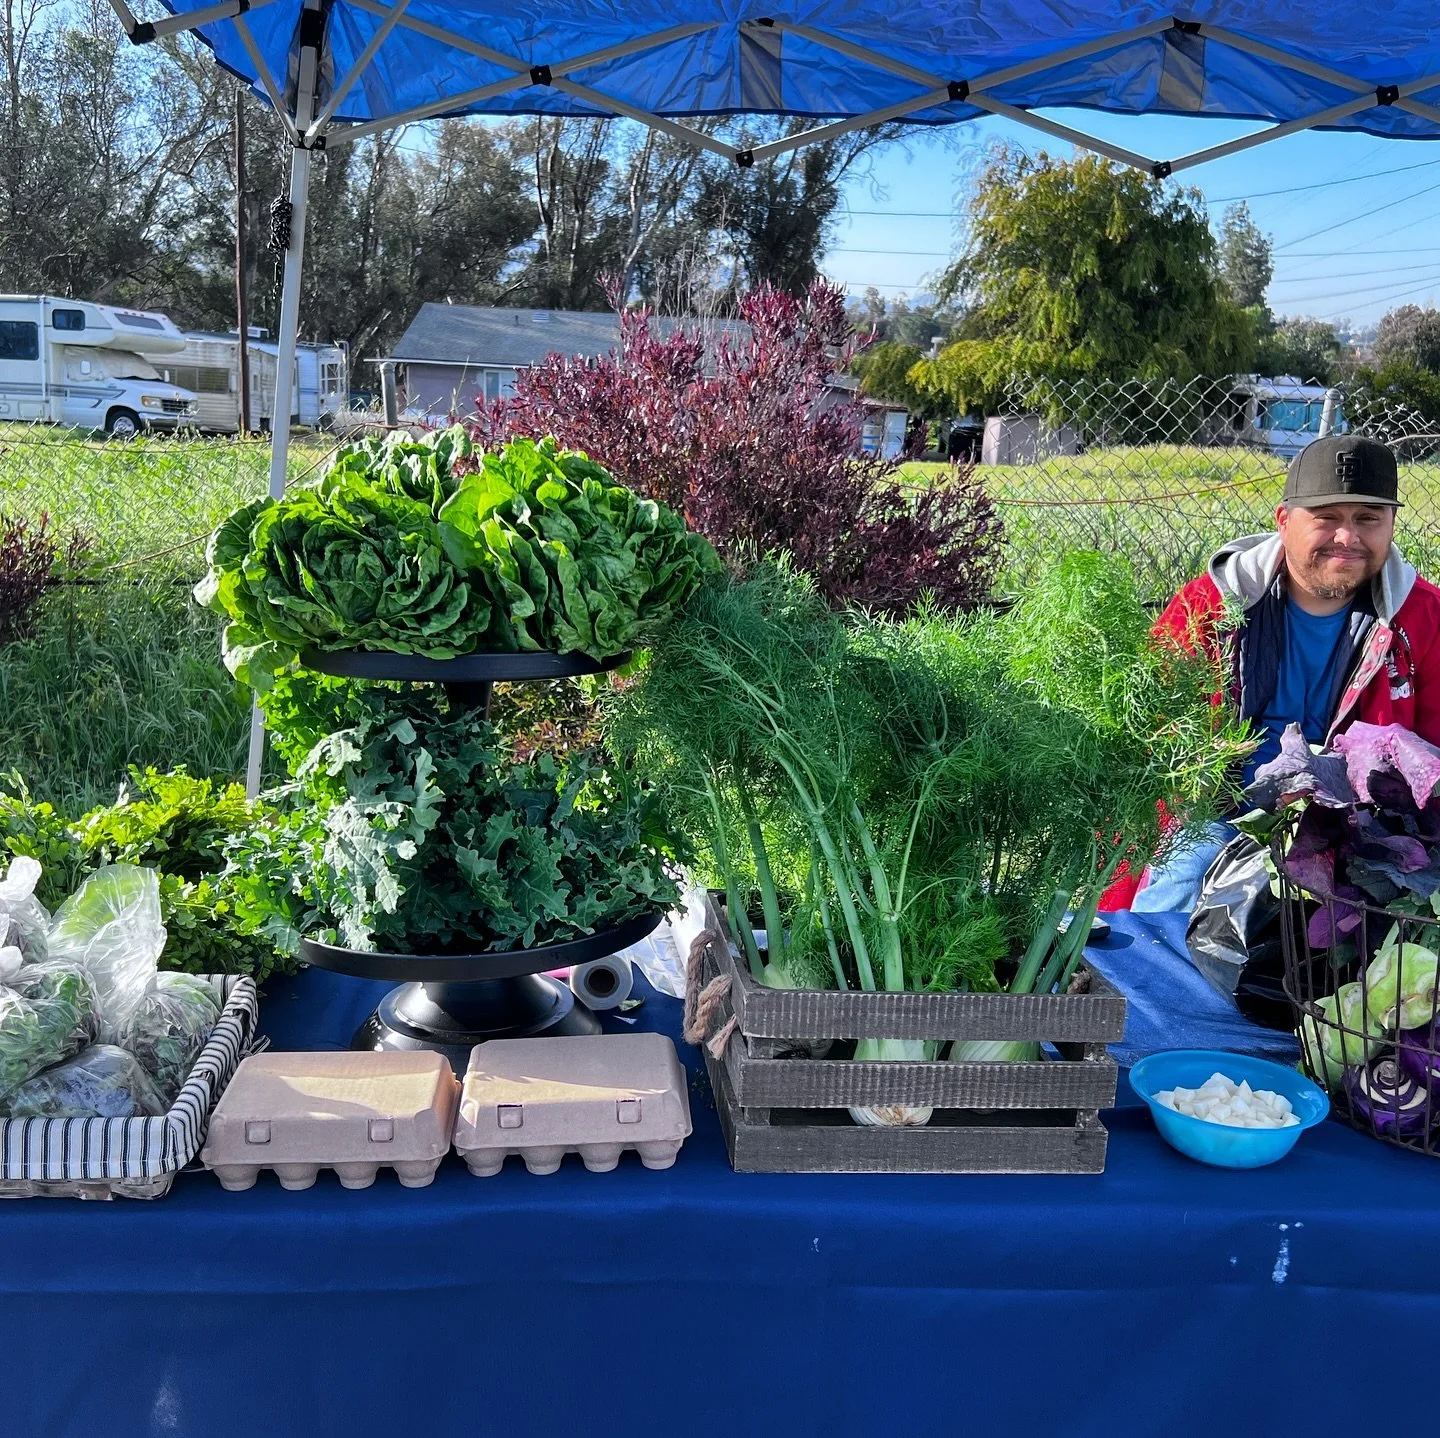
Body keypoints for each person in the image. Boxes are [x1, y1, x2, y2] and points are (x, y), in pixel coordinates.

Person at [1127, 433, 1440, 912]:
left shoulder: (1424, 619)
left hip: (1359, 826)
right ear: (1283, 520)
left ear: (1392, 524)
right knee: (1171, 903)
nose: (1347, 537)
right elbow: (1147, 730)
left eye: (1367, 519)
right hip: (1218, 811)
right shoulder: (1208, 606)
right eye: (1327, 517)